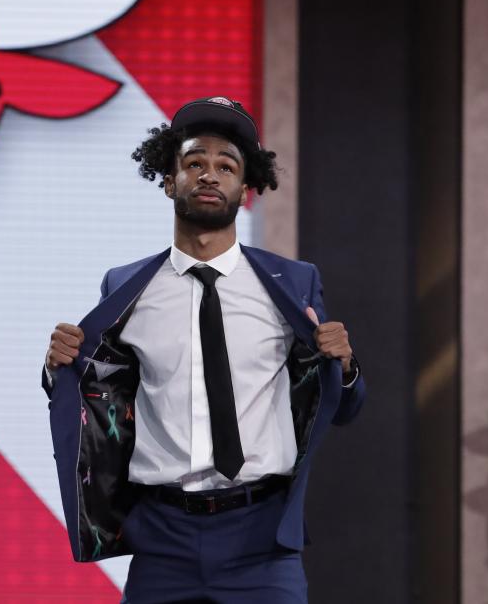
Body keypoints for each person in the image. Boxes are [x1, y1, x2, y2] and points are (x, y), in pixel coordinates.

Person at [41, 96, 365, 603]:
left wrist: (344, 365)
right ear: (170, 180)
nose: (209, 175)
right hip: (163, 538)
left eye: (226, 166)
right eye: (194, 163)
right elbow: (96, 388)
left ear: (245, 186)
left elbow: (343, 405)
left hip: (263, 540)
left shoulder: (294, 284)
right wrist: (57, 366)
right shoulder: (126, 286)